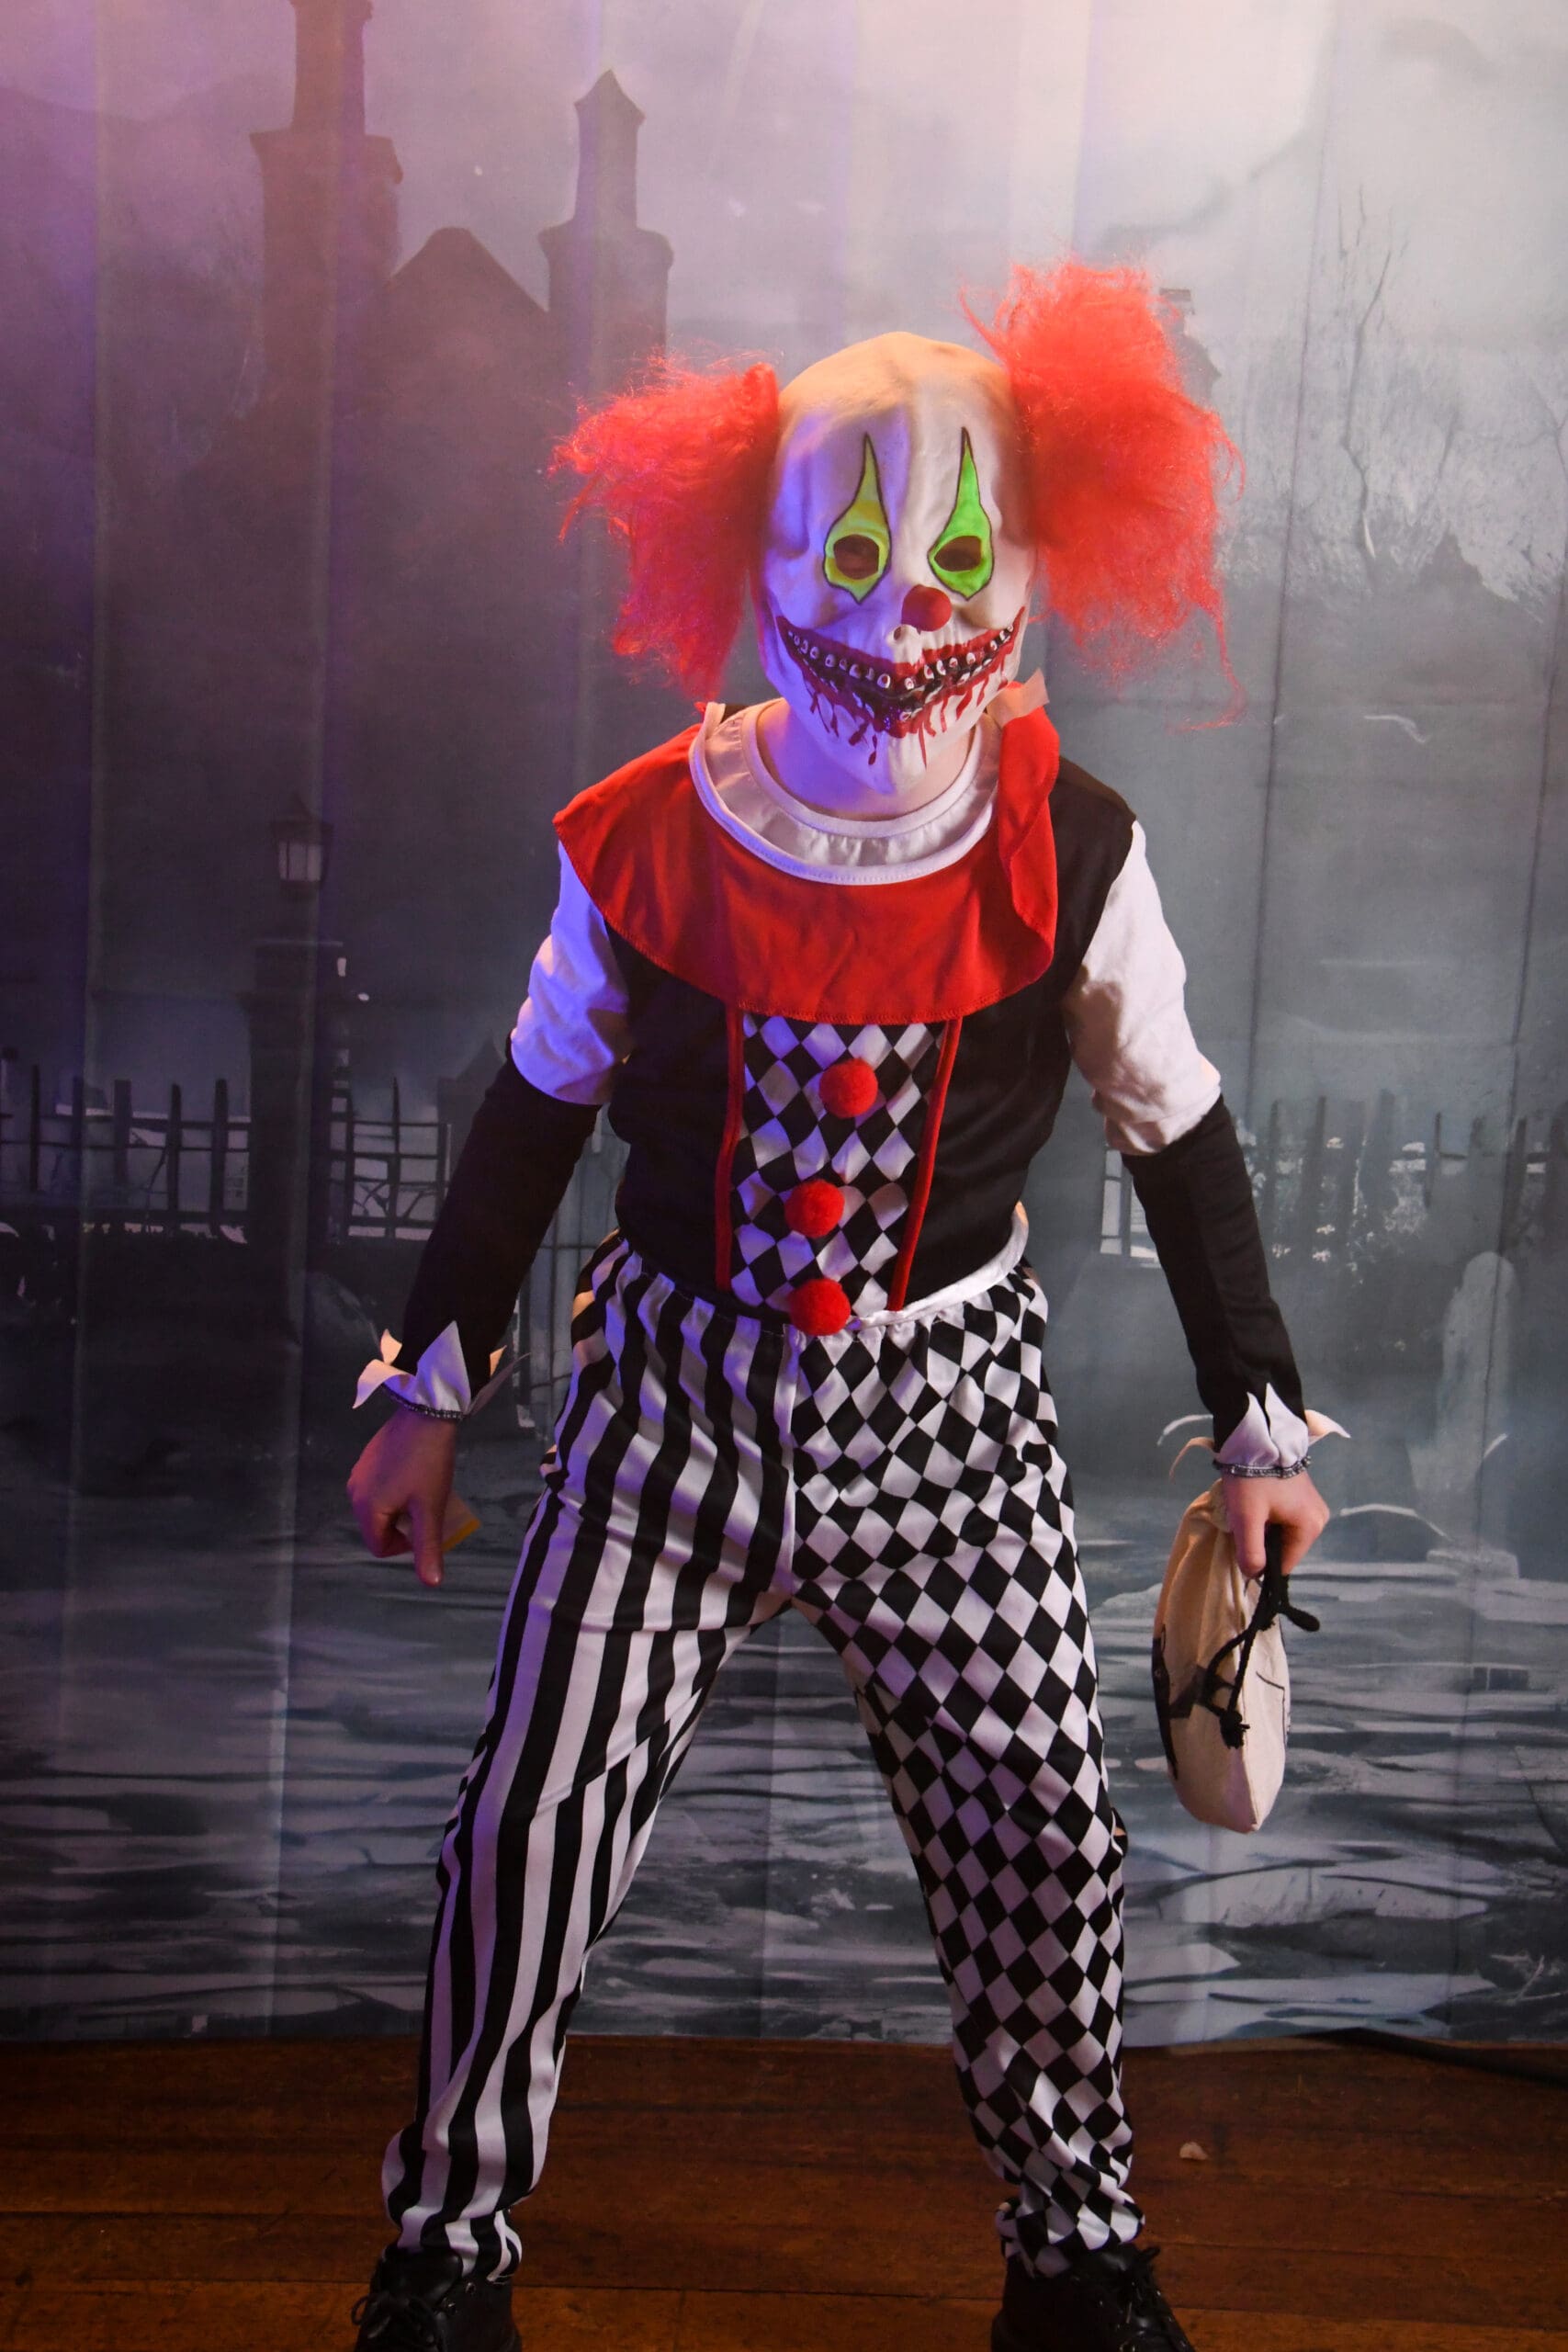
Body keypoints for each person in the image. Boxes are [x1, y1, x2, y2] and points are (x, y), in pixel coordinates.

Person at [344, 262, 1330, 2352]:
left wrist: (1258, 1426)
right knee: (529, 1821)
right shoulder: (645, 839)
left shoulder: (1071, 848)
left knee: (1045, 1839)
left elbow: (1178, 1129)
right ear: (759, 557)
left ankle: (1077, 2262)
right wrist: (428, 1381)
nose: (901, 608)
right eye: (851, 549)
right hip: (669, 1409)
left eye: (957, 553)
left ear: (1029, 563)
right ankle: (440, 2255)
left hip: (950, 1420)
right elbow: (533, 1110)